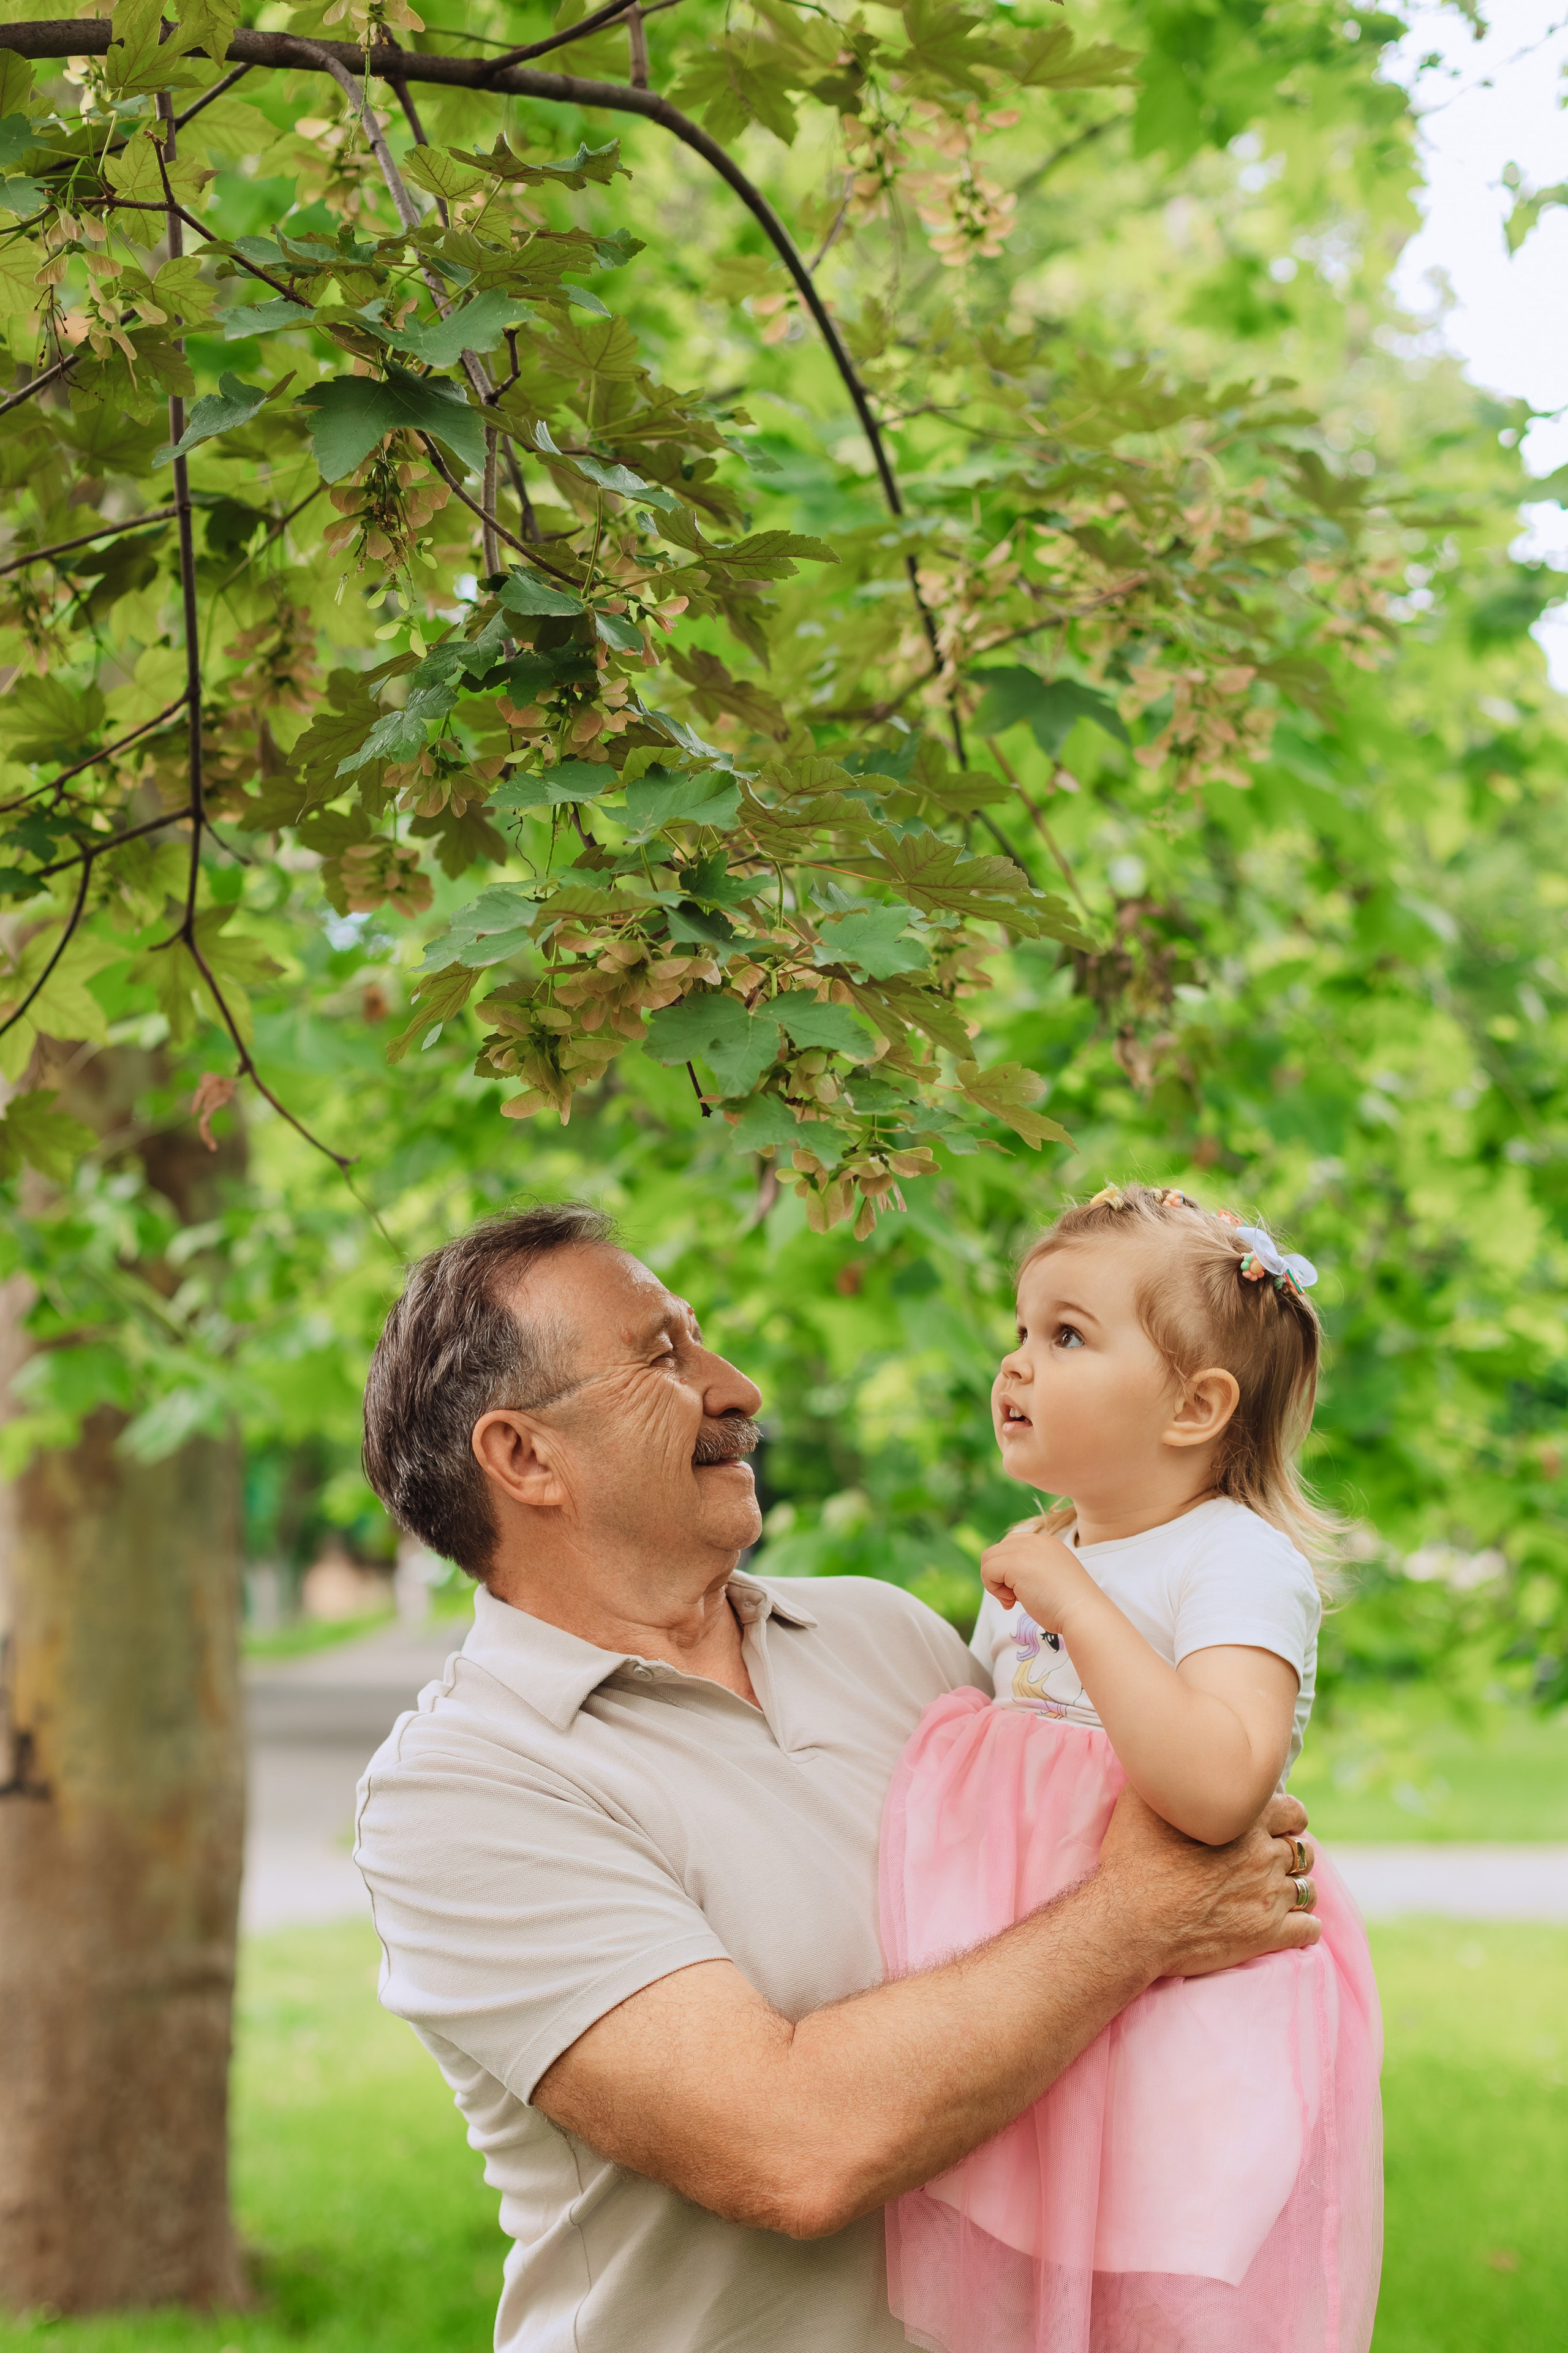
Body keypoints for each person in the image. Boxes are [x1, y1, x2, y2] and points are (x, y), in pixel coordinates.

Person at [353, 1201, 1323, 2353]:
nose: (738, 1385)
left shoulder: (888, 1637)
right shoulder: (465, 1789)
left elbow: (1158, 1831)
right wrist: (1142, 1914)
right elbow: (792, 2149)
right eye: (662, 1356)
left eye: (701, 1336)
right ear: (524, 1457)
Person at [880, 1183, 1382, 2353]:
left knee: (1158, 2291)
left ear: (1196, 1405)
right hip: (1045, 1995)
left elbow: (1216, 1788)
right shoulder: (1059, 1547)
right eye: (1019, 1329)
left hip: (1181, 2004)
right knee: (1030, 2280)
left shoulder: (1235, 1561)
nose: (1015, 1365)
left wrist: (1075, 1604)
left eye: (1065, 1335)